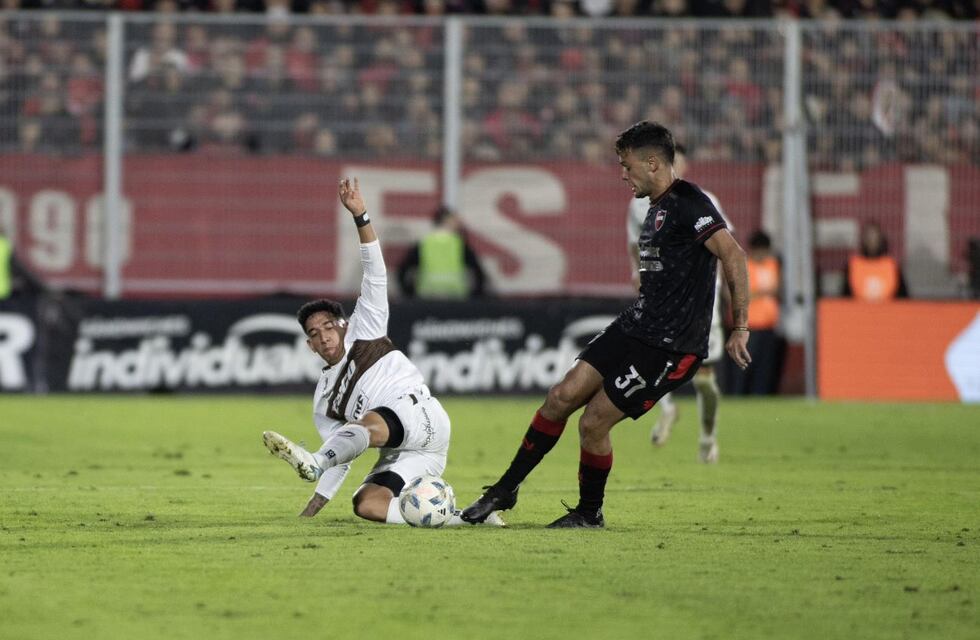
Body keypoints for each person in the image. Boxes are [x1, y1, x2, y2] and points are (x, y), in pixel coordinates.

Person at [461, 121, 751, 529]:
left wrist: (740, 328)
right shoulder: (652, 207)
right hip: (636, 325)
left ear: (653, 163)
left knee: (593, 422)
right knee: (560, 396)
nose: (622, 173)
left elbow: (734, 255)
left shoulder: (690, 202)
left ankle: (588, 513)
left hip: (671, 345)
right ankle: (505, 489)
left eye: (627, 165)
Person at [261, 177, 503, 527]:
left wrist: (361, 217)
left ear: (343, 324)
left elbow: (376, 272)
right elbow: (339, 455)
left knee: (364, 426)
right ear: (310, 346)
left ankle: (310, 462)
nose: (325, 336)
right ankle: (470, 520)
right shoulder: (324, 400)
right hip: (410, 453)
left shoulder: (366, 327)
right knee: (368, 505)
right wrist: (311, 509)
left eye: (329, 326)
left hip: (420, 417)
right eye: (315, 334)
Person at [627, 143, 729, 462]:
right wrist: (638, 273)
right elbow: (636, 245)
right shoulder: (639, 205)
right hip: (662, 299)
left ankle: (708, 437)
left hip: (700, 302)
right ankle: (668, 409)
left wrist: (726, 291)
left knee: (704, 379)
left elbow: (727, 248)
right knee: (646, 362)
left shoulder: (704, 201)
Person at [728, 230, 782, 395]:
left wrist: (758, 292)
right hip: (747, 327)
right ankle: (737, 398)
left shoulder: (773, 264)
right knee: (742, 368)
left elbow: (777, 290)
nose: (762, 254)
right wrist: (764, 292)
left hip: (769, 325)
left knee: (764, 369)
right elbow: (741, 294)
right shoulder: (744, 266)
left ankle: (760, 398)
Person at [397, 205, 487, 299]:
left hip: (427, 298)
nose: (459, 223)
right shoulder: (460, 245)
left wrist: (409, 294)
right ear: (446, 220)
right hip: (455, 299)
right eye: (455, 220)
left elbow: (403, 271)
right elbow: (479, 273)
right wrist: (475, 296)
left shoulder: (424, 244)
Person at [842, 222, 908, 301]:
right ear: (863, 240)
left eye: (875, 237)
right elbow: (844, 297)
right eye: (869, 237)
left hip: (888, 311)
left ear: (881, 239)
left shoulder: (891, 264)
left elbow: (904, 297)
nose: (872, 241)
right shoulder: (853, 264)